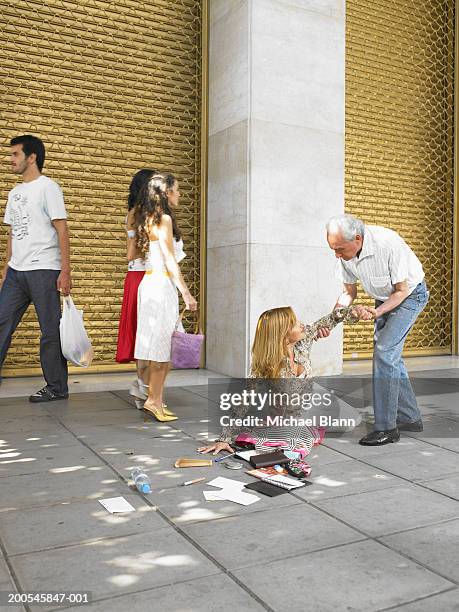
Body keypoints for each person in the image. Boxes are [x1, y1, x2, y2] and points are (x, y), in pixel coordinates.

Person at [198, 304, 363, 456]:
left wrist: (354, 311)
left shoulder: (303, 341)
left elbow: (332, 319)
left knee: (351, 420)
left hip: (313, 398)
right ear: (283, 336)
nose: (302, 324)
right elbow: (244, 401)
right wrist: (224, 438)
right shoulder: (266, 366)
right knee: (294, 438)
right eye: (295, 323)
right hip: (292, 416)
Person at [326, 214, 429, 446]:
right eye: (333, 249)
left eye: (340, 249)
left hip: (410, 295)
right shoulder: (344, 253)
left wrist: (377, 312)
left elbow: (401, 291)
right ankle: (410, 418)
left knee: (384, 352)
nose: (336, 255)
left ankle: (387, 429)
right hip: (383, 298)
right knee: (390, 357)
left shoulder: (388, 243)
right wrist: (333, 319)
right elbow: (349, 294)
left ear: (358, 239)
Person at [0, 135, 70, 401]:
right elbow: (12, 233)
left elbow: (62, 229)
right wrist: (7, 266)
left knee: (50, 331)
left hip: (44, 269)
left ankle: (56, 388)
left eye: (15, 154)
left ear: (32, 157)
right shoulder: (14, 193)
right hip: (16, 272)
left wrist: (65, 271)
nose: (10, 159)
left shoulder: (48, 188)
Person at [134, 173, 197, 421]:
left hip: (152, 283)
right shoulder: (165, 220)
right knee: (162, 348)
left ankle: (156, 399)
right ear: (165, 193)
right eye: (176, 190)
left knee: (162, 347)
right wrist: (186, 292)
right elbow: (170, 260)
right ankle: (153, 400)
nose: (179, 194)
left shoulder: (150, 219)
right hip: (161, 286)